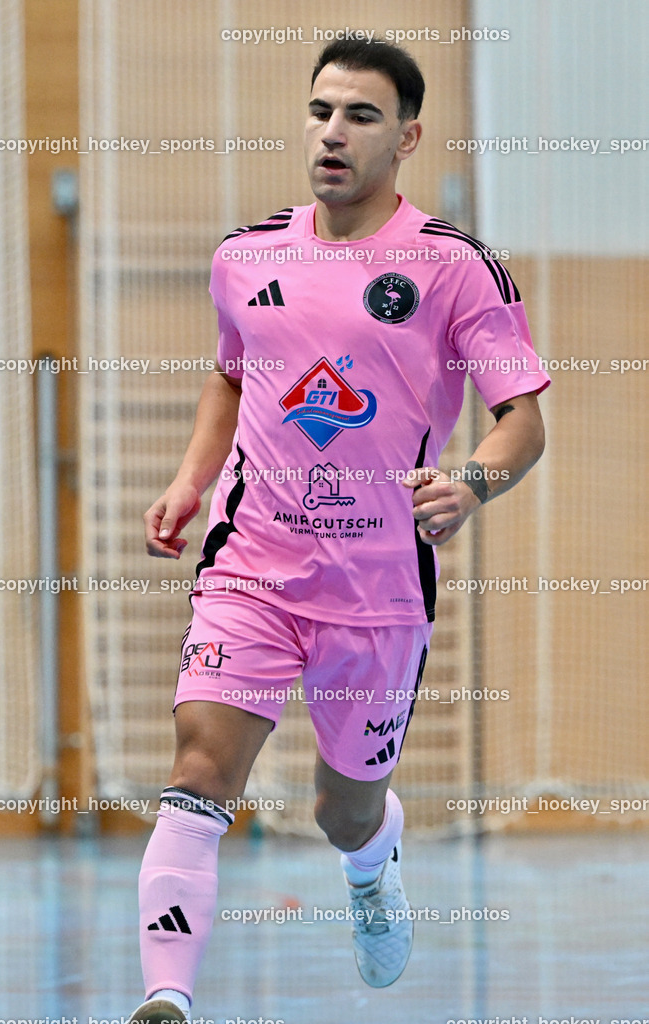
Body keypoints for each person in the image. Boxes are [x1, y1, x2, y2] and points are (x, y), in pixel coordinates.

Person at [129, 37, 550, 1024]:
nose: (331, 132)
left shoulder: (451, 269)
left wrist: (472, 485)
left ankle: (370, 863)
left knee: (340, 807)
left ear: (403, 137)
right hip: (252, 563)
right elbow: (232, 374)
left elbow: (521, 418)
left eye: (358, 116)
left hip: (375, 590)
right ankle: (166, 997)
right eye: (320, 110)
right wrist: (191, 481)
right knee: (198, 763)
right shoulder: (247, 256)